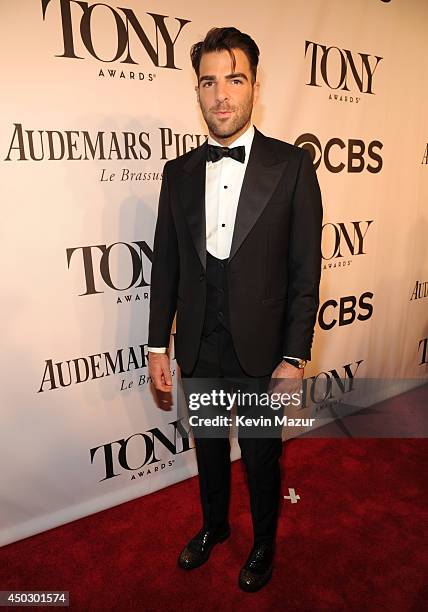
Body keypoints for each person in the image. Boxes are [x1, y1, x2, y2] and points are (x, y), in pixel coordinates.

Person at [147, 26, 322, 592]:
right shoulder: (176, 174)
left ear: (254, 85)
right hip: (199, 340)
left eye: (234, 78)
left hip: (262, 346)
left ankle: (265, 541)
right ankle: (215, 526)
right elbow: (167, 267)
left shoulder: (293, 167)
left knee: (264, 458)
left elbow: (304, 272)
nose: (221, 94)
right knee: (209, 447)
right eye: (208, 81)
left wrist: (294, 357)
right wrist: (157, 345)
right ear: (197, 91)